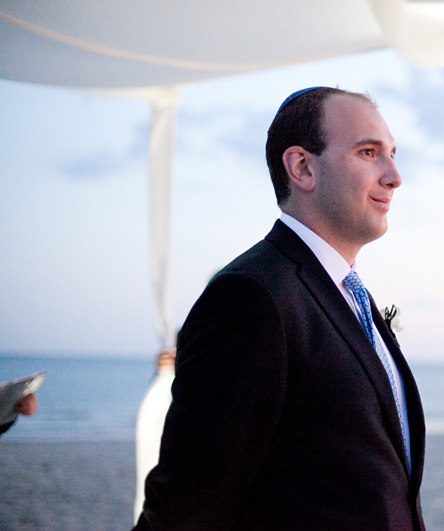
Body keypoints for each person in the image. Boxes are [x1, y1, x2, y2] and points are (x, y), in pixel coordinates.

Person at [135, 87, 426, 530]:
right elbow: (187, 501)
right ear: (302, 168)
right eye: (369, 152)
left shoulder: (348, 293)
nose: (394, 176)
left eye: (392, 153)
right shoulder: (251, 298)